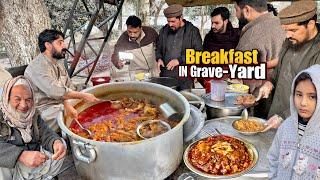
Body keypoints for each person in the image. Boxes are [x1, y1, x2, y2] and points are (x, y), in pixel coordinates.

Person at [257, 1, 320, 131]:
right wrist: (269, 83)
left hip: (302, 126)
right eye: (285, 30)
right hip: (275, 115)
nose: (287, 35)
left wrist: (283, 116)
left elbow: (315, 98)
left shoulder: (317, 52)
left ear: (311, 24)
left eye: (293, 30)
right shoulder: (290, 41)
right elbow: (279, 71)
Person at [25, 29, 99, 132]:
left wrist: (85, 91)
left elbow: (69, 86)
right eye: (60, 42)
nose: (64, 46)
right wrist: (82, 96)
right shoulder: (37, 67)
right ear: (48, 45)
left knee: (89, 95)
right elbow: (54, 91)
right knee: (67, 115)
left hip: (61, 103)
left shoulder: (58, 63)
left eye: (63, 42)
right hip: (44, 110)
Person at [0, 76, 66, 180]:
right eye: (17, 99)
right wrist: (21, 155)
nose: (23, 105)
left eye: (28, 99)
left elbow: (45, 133)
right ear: (7, 98)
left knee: (62, 145)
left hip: (33, 164)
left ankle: (40, 177)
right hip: (13, 168)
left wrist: (55, 142)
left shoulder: (33, 114)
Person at [268, 64, 320, 179]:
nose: (303, 103)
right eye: (299, 94)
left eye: (312, 96)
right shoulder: (286, 126)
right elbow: (273, 158)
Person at [156, 4, 202, 90]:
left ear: (181, 18)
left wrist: (179, 60)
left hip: (185, 78)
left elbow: (198, 53)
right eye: (168, 21)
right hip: (166, 77)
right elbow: (158, 49)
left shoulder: (193, 31)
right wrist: (159, 58)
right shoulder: (163, 31)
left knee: (185, 100)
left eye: (173, 21)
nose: (170, 24)